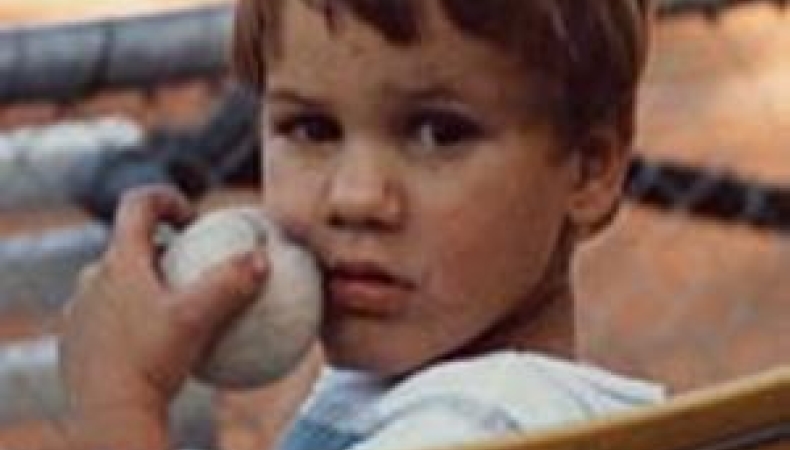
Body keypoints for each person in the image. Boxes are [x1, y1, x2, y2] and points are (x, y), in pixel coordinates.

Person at [60, 1, 663, 449]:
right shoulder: (417, 399)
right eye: (312, 129)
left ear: (590, 169)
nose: (355, 198)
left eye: (438, 133)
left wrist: (118, 406)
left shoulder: (476, 428)